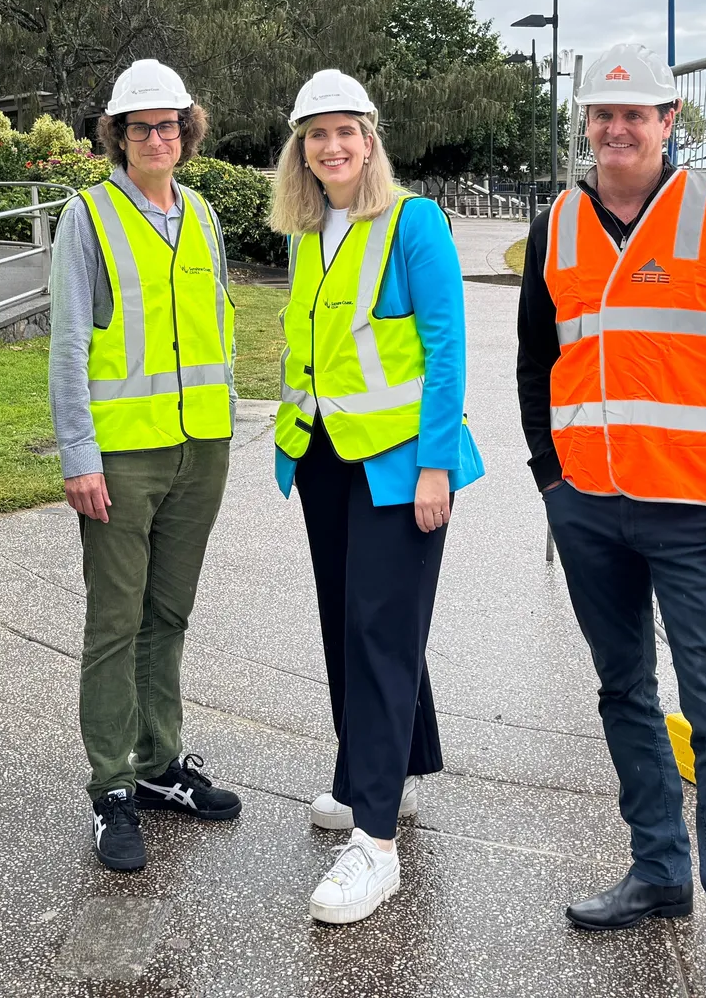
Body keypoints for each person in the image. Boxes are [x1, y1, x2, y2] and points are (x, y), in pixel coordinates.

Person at [517, 43, 706, 998]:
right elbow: (537, 361)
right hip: (590, 509)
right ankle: (658, 870)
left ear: (669, 122)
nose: (617, 129)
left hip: (698, 515)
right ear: (587, 124)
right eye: (603, 115)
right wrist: (551, 478)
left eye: (636, 114)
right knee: (624, 692)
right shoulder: (556, 227)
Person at [270, 69, 483, 926]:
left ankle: (377, 844)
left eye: (344, 132)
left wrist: (436, 467)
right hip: (325, 456)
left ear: (369, 139)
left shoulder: (412, 221)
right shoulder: (307, 231)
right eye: (315, 135)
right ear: (301, 150)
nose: (331, 147)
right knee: (348, 623)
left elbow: (446, 345)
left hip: (400, 466)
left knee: (381, 633)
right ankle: (382, 775)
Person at [49, 59, 241, 874]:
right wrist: (79, 455)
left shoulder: (202, 215)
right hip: (122, 456)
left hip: (202, 447)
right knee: (115, 621)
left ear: (185, 132)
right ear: (118, 137)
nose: (157, 138)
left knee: (169, 615)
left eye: (168, 125)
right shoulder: (88, 215)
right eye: (141, 127)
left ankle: (160, 763)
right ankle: (111, 787)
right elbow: (67, 344)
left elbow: (219, 325)